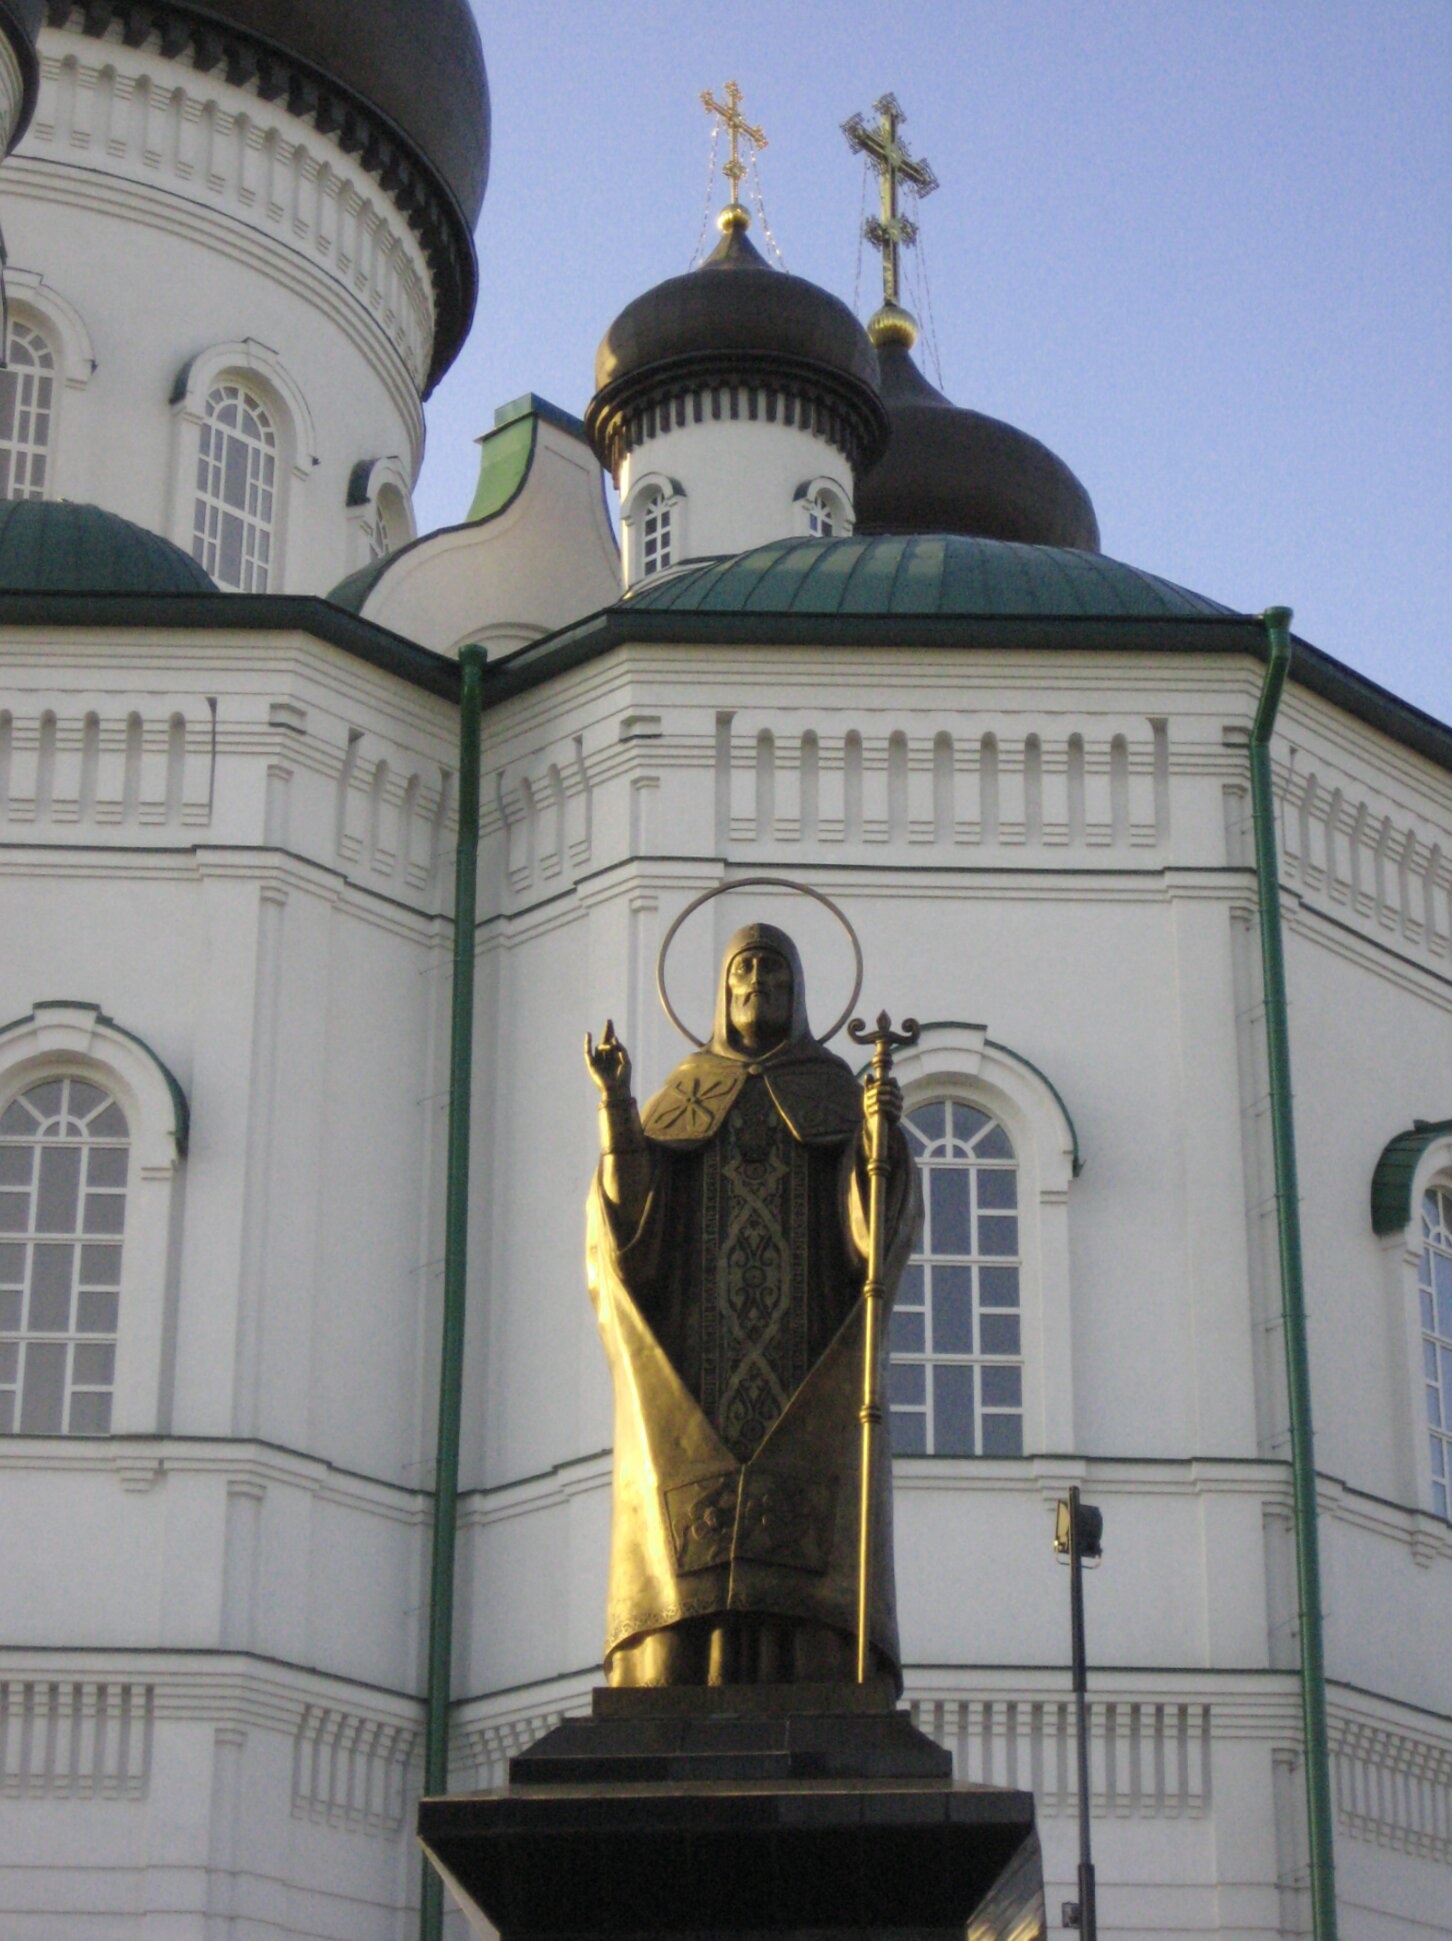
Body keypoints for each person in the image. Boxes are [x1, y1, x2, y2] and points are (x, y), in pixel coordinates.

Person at [584, 922, 920, 1689]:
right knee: (691, 1563)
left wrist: (878, 1136)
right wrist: (616, 1109)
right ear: (720, 994)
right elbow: (631, 1237)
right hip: (702, 1380)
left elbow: (869, 1241)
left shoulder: (835, 1091)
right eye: (744, 976)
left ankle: (814, 1669)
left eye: (773, 977)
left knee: (800, 1576)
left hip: (804, 1374)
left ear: (797, 994)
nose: (756, 989)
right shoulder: (684, 1094)